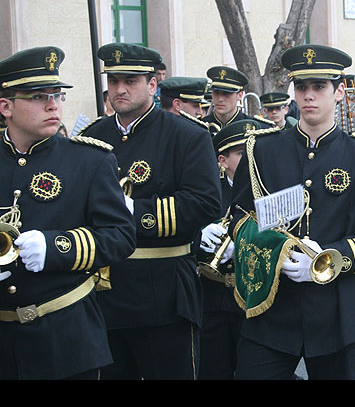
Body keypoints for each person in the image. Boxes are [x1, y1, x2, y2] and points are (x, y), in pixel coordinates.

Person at [228, 44, 355, 380]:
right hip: (272, 308)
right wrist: (270, 247)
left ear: (339, 92)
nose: (309, 96)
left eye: (319, 87)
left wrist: (331, 258)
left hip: (338, 310)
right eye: (302, 87)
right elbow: (238, 217)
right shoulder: (262, 150)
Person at [81, 42, 222, 380]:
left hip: (164, 293)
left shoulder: (187, 136)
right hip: (106, 294)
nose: (120, 89)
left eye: (130, 80)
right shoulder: (91, 138)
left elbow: (205, 202)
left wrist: (132, 211)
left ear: (153, 85)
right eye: (114, 81)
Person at [0, 46, 136, 379]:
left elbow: (120, 236)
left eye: (57, 95)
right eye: (37, 96)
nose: (52, 104)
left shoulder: (89, 160)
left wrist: (57, 247)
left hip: (67, 338)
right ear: (5, 106)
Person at [197, 119, 260, 379]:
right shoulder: (208, 192)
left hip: (254, 296)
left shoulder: (265, 189)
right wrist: (198, 237)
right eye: (241, 153)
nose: (250, 158)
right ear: (222, 160)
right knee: (213, 370)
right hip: (213, 297)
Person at [201, 66, 274, 133]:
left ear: (240, 95)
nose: (220, 99)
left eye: (226, 93)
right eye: (216, 92)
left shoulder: (256, 128)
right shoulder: (201, 127)